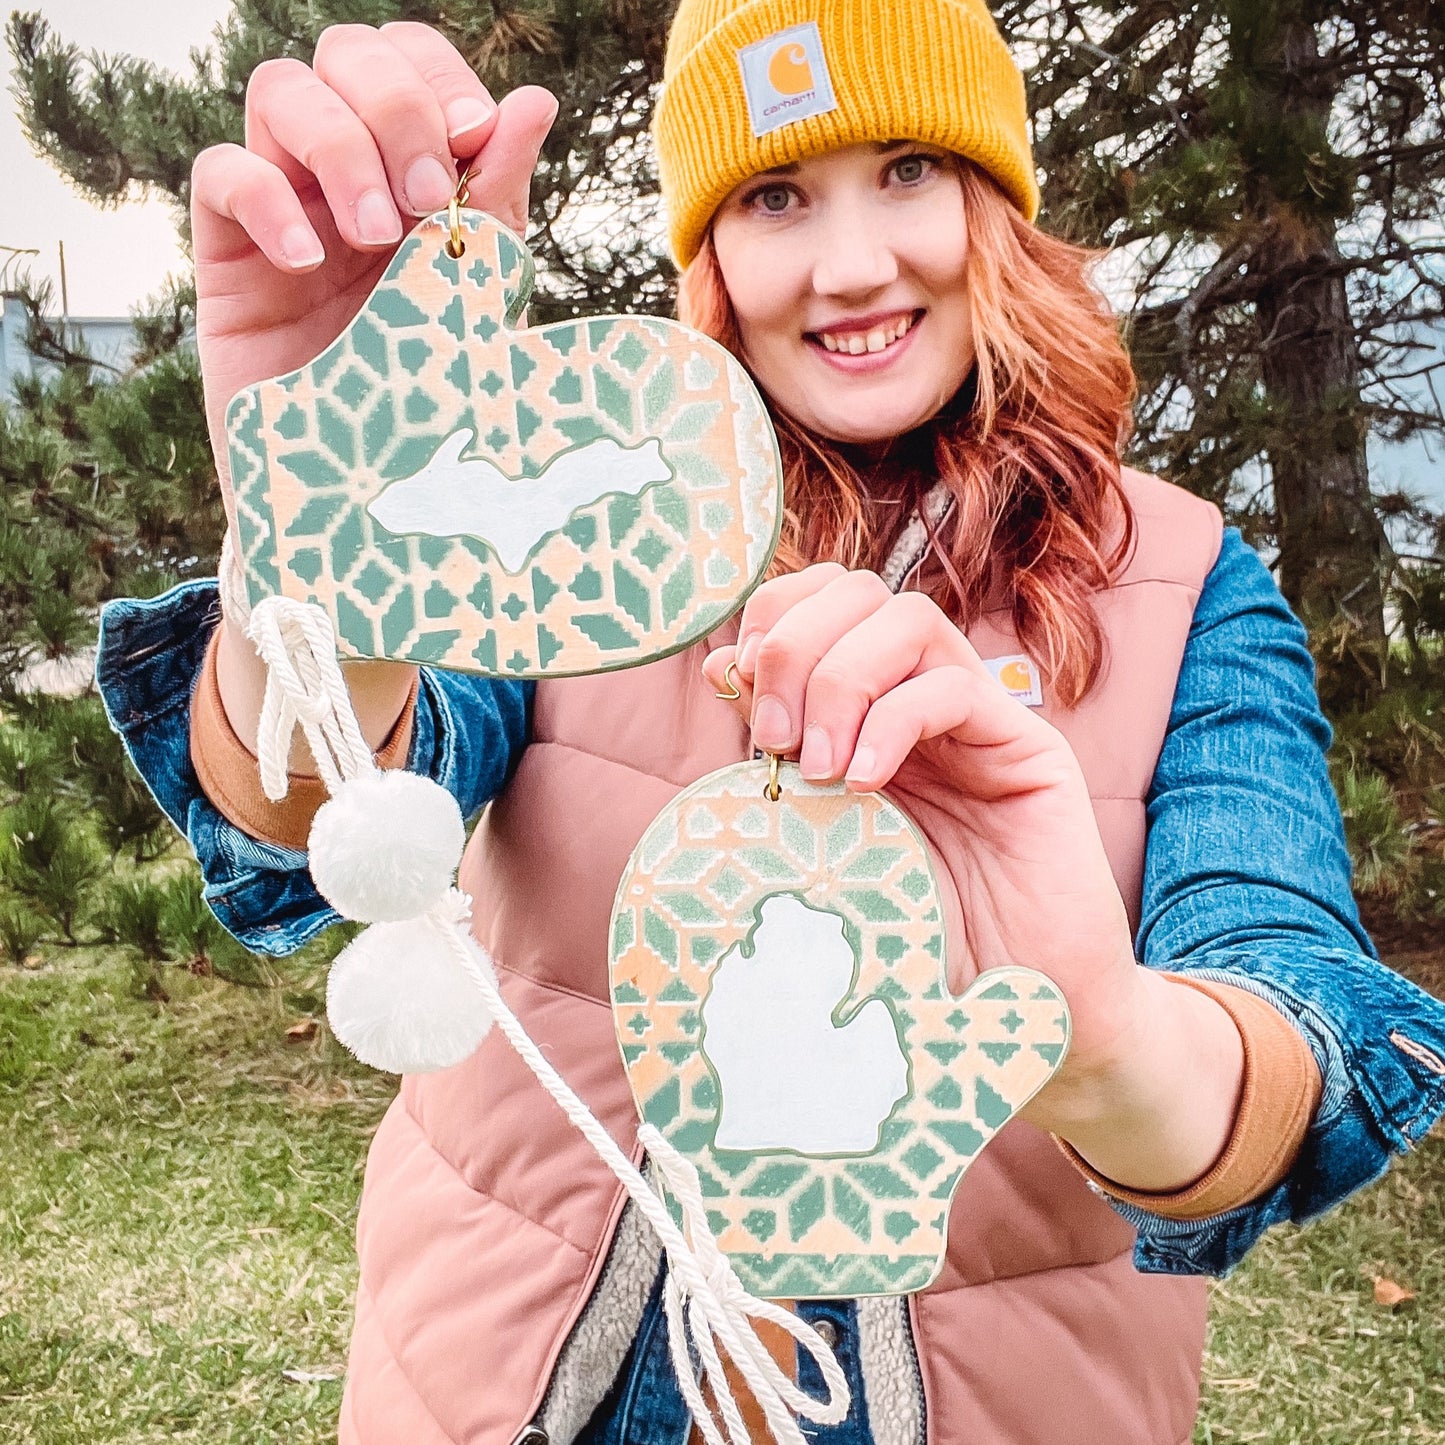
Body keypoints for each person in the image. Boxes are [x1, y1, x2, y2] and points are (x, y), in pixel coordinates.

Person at [93, 5, 1445, 1444]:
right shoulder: (596, 509)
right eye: (776, 194)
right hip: (513, 1387)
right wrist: (334, 547)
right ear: (711, 253)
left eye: (911, 169)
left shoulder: (1187, 585)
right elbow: (317, 810)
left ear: (1001, 200)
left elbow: (1293, 1015)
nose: (851, 263)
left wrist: (1104, 1041)